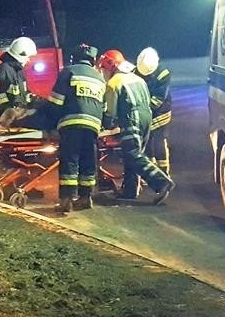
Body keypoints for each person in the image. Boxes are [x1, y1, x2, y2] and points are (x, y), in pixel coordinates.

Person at [98, 49, 175, 204]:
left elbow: (110, 112)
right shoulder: (135, 78)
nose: (103, 72)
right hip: (147, 117)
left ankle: (161, 182)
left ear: (111, 66)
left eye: (104, 69)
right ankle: (130, 191)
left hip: (133, 118)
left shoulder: (114, 83)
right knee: (131, 155)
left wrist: (104, 125)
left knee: (133, 153)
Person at [47, 44, 105, 212]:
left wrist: (51, 122)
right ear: (93, 60)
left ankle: (66, 199)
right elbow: (105, 107)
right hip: (93, 124)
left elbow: (56, 101)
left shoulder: (68, 71)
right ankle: (85, 197)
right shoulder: (99, 77)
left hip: (71, 122)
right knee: (88, 159)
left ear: (73, 57)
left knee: (70, 158)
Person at [135, 47, 172, 176]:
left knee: (158, 139)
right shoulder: (137, 71)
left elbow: (158, 99)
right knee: (147, 139)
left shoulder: (163, 74)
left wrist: (142, 110)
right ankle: (151, 169)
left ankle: (163, 171)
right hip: (145, 110)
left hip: (161, 112)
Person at [0, 36, 37, 119]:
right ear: (21, 54)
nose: (28, 60)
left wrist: (34, 100)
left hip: (19, 114)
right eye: (27, 57)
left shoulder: (19, 71)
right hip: (8, 117)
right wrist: (8, 111)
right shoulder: (3, 69)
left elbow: (23, 93)